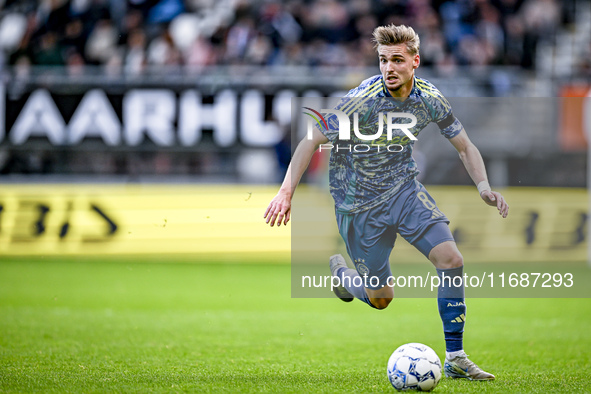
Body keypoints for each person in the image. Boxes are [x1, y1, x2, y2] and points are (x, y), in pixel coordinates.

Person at [264, 24, 508, 381]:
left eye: (396, 60)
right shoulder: (360, 100)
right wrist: (286, 191)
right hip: (359, 205)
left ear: (415, 62)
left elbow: (466, 146)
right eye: (382, 60)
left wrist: (484, 187)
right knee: (381, 299)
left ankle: (455, 356)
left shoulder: (430, 99)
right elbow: (310, 140)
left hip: (404, 192)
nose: (388, 68)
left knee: (451, 259)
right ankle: (347, 279)